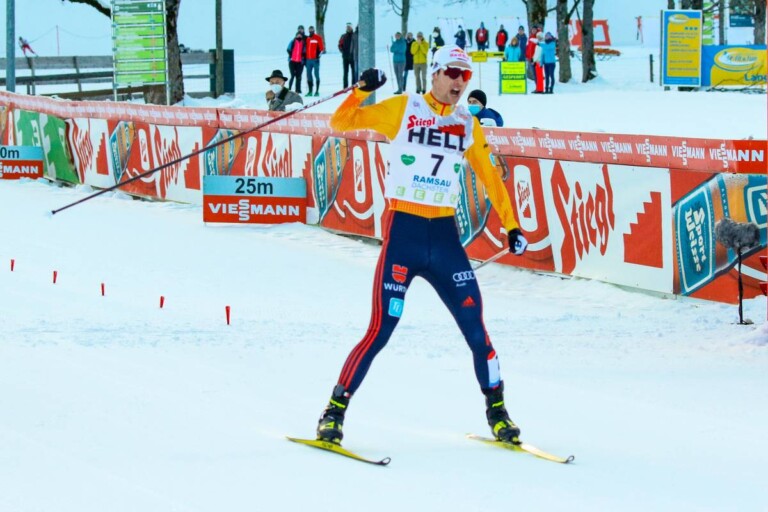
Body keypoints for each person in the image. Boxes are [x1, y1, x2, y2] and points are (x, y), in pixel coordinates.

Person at [315, 45, 529, 447]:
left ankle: (498, 412)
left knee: (477, 331)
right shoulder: (404, 107)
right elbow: (341, 121)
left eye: (466, 75)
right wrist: (361, 91)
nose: (460, 82)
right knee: (381, 329)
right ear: (435, 73)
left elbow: (489, 176)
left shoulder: (467, 122)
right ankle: (334, 412)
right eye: (453, 73)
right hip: (404, 233)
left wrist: (512, 225)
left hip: (445, 238)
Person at [304, 25, 325, 97]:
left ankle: (317, 91)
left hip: (315, 60)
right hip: (308, 60)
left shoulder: (318, 38)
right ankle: (310, 91)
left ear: (314, 30)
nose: (311, 31)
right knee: (309, 75)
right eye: (310, 30)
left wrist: (318, 56)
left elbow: (321, 49)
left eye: (312, 29)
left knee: (316, 75)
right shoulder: (308, 38)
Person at [339, 22, 356, 88]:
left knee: (353, 72)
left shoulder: (354, 36)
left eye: (349, 27)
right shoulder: (343, 36)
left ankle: (353, 86)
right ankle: (345, 87)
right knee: (345, 72)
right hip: (345, 57)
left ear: (352, 27)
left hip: (353, 57)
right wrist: (342, 51)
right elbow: (340, 45)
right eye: (347, 27)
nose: (348, 28)